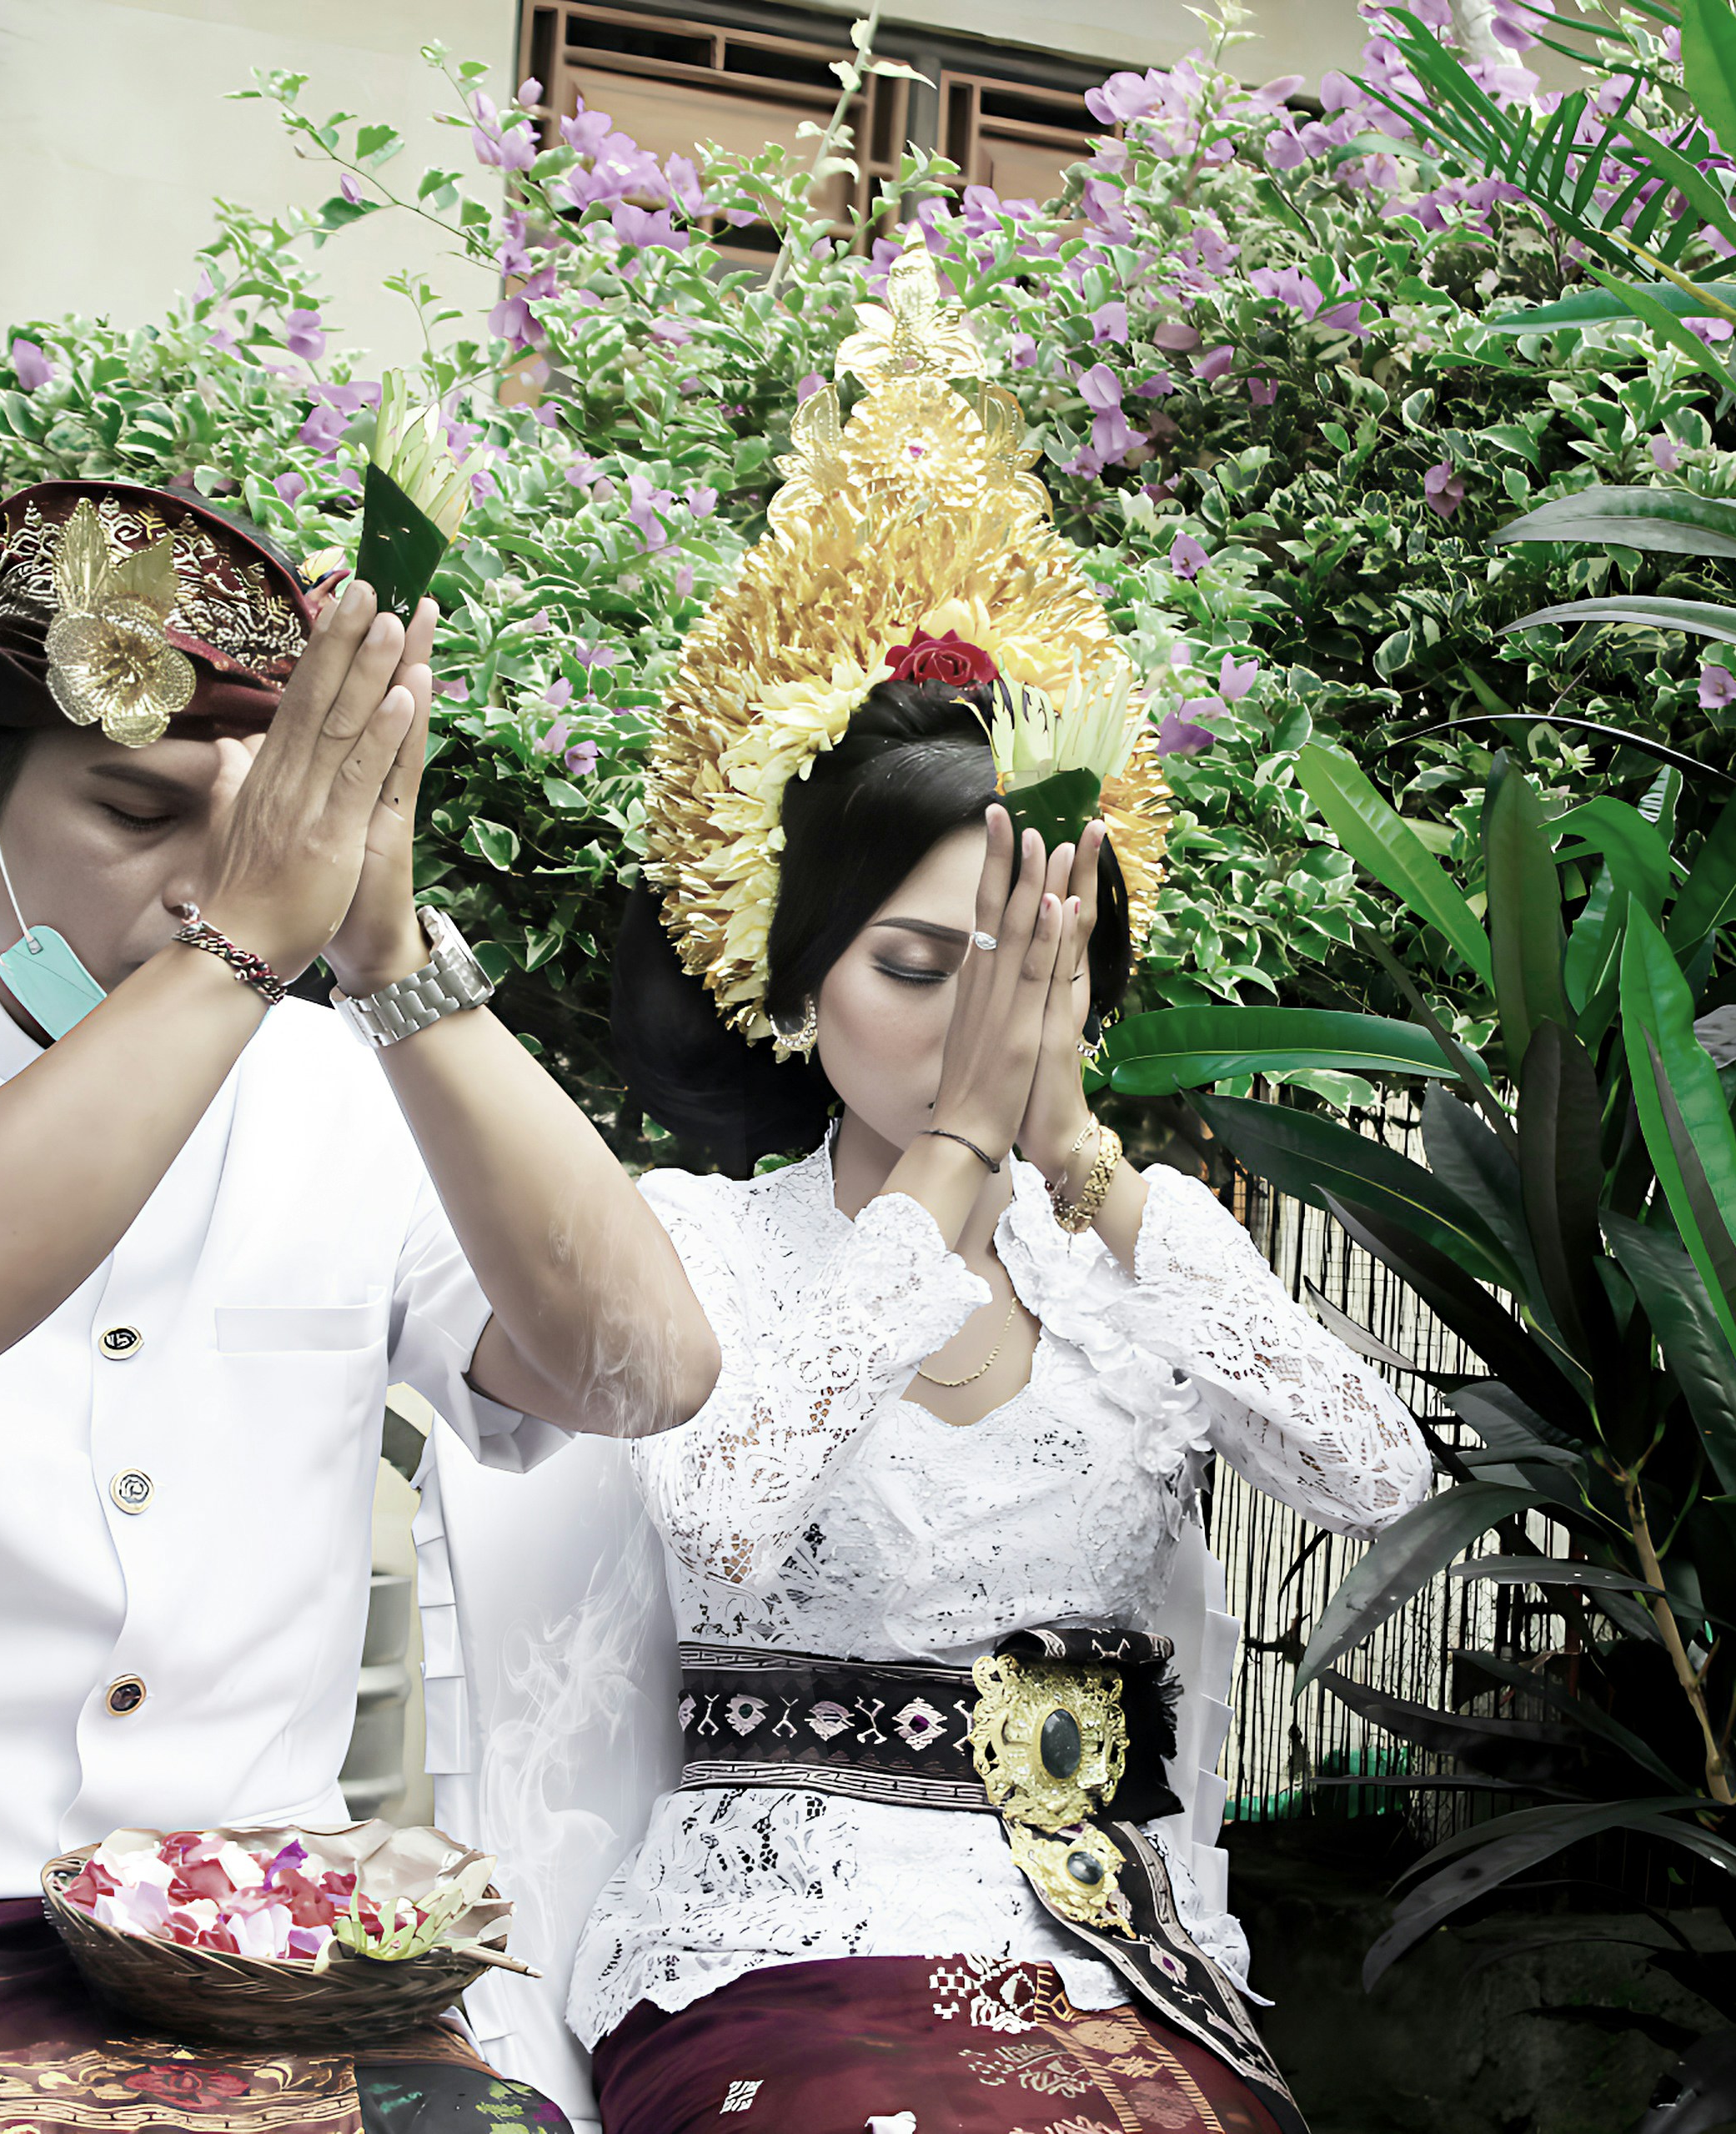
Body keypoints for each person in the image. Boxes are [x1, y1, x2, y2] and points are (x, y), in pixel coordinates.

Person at [0, 479, 718, 2134]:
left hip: (258, 1943)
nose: (210, 881)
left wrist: (390, 961)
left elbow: (644, 1368)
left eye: (262, 830)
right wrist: (238, 945)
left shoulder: (357, 1088)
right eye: (143, 813)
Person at [559, 260, 1433, 2134]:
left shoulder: (1140, 1252)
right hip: (784, 1961)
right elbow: (717, 1522)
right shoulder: (705, 1240)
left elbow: (1382, 1480)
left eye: (1026, 963)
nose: (972, 1014)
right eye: (910, 961)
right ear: (791, 985)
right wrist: (951, 1160)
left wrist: (1086, 1170)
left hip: (1111, 1961)